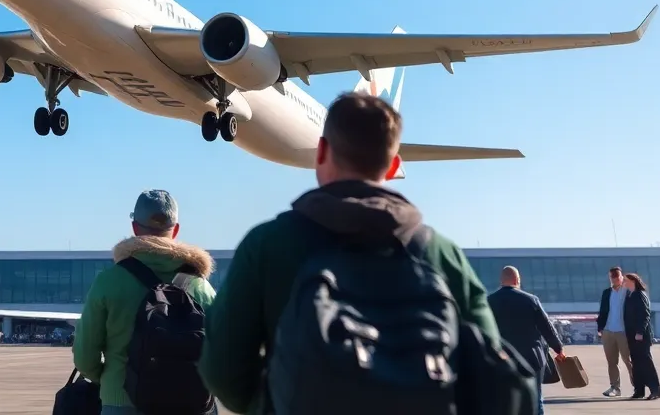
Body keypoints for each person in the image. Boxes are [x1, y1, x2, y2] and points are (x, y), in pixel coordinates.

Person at [198, 92, 501, 415]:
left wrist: (277, 403)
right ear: (394, 165)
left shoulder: (267, 245)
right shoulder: (441, 254)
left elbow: (222, 370)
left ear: (321, 152)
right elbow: (494, 374)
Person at [72, 188, 218, 414]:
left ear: (134, 228)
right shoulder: (201, 287)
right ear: (175, 229)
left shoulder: (109, 281)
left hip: (122, 402)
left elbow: (85, 355)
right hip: (190, 402)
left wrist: (112, 379)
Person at [487, 266, 565, 415]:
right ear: (517, 280)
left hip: (502, 359)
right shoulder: (531, 300)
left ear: (501, 281)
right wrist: (558, 349)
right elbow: (546, 327)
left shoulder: (489, 301)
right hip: (531, 358)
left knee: (505, 400)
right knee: (535, 399)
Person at [623, 273, 660, 400]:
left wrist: (639, 332)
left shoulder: (640, 295)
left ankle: (655, 390)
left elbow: (645, 315)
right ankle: (639, 390)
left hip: (641, 336)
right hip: (631, 335)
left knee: (645, 362)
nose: (624, 282)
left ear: (633, 281)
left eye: (626, 280)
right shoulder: (630, 295)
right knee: (636, 362)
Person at [596, 265, 634, 397]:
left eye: (617, 275)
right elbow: (602, 310)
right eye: (612, 276)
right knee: (612, 361)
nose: (614, 278)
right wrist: (600, 328)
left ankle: (637, 386)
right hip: (608, 331)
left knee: (628, 360)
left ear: (621, 276)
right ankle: (615, 387)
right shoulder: (607, 292)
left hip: (623, 332)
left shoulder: (628, 292)